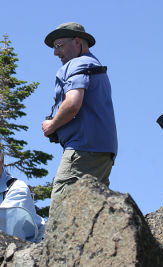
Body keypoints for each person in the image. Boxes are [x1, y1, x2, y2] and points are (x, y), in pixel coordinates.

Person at [42, 22, 118, 209]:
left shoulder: (78, 63)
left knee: (63, 207)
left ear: (77, 42)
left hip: (82, 149)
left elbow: (73, 103)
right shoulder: (96, 66)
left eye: (59, 46)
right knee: (93, 211)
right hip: (103, 152)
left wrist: (52, 125)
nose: (55, 53)